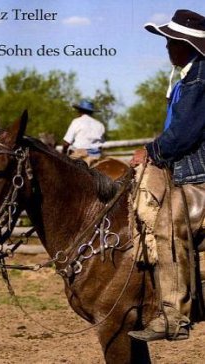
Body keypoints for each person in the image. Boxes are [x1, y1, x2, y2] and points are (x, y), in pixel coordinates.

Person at [128, 9, 205, 342]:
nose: (167, 46)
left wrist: (152, 152)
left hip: (199, 174)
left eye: (171, 40)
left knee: (167, 223)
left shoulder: (200, 78)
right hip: (187, 169)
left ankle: (175, 317)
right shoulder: (188, 77)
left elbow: (186, 132)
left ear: (186, 44)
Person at [62, 99, 105, 166]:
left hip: (79, 155)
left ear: (80, 111)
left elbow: (66, 143)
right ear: (91, 112)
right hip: (96, 157)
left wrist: (63, 154)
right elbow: (100, 145)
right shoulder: (99, 124)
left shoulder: (76, 122)